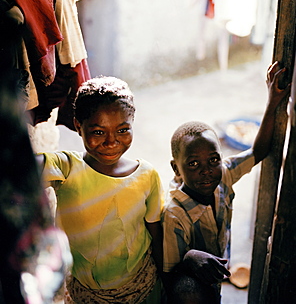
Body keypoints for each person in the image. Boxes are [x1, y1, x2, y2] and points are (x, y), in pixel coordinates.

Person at [161, 61, 290, 300]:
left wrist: (273, 102)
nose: (206, 171)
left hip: (215, 278)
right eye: (193, 164)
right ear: (175, 169)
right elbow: (170, 275)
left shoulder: (225, 175)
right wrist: (191, 257)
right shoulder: (175, 215)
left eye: (213, 160)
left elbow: (257, 152)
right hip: (191, 292)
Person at [37, 76, 165, 303]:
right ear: (78, 126)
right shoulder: (65, 168)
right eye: (98, 132)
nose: (111, 141)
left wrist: (166, 275)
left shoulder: (147, 175)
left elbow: (156, 235)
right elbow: (22, 167)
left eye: (123, 130)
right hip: (85, 293)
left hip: (142, 284)